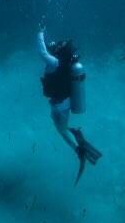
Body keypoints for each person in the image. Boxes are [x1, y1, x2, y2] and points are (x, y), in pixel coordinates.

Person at [38, 24, 102, 183]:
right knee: (57, 123)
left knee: (61, 130)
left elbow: (42, 51)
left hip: (60, 104)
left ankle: (79, 151)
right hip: (63, 102)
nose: (54, 47)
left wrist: (39, 33)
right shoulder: (65, 62)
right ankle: (76, 134)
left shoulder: (54, 62)